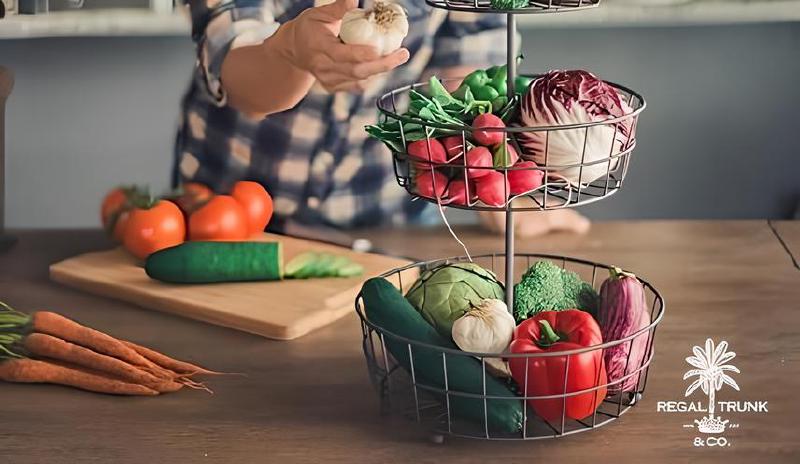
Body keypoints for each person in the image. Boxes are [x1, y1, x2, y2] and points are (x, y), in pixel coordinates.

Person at [175, 0, 589, 238]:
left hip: (392, 222)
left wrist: (493, 178)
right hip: (227, 215)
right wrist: (288, 52)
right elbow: (235, 62)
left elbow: (472, 86)